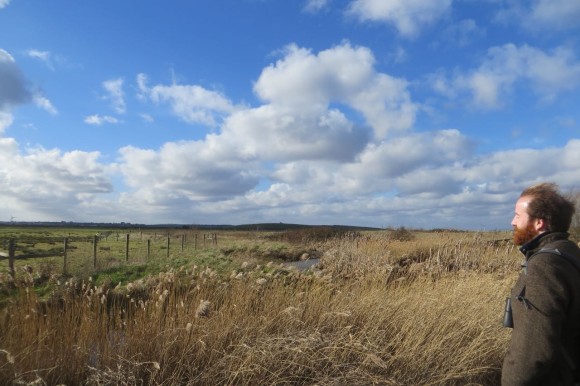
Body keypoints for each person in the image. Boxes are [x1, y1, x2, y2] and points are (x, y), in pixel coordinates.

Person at [502, 183, 580, 385]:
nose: (513, 222)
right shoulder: (569, 252)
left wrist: (513, 381)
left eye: (518, 215)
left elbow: (533, 349)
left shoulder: (544, 265)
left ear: (539, 223)